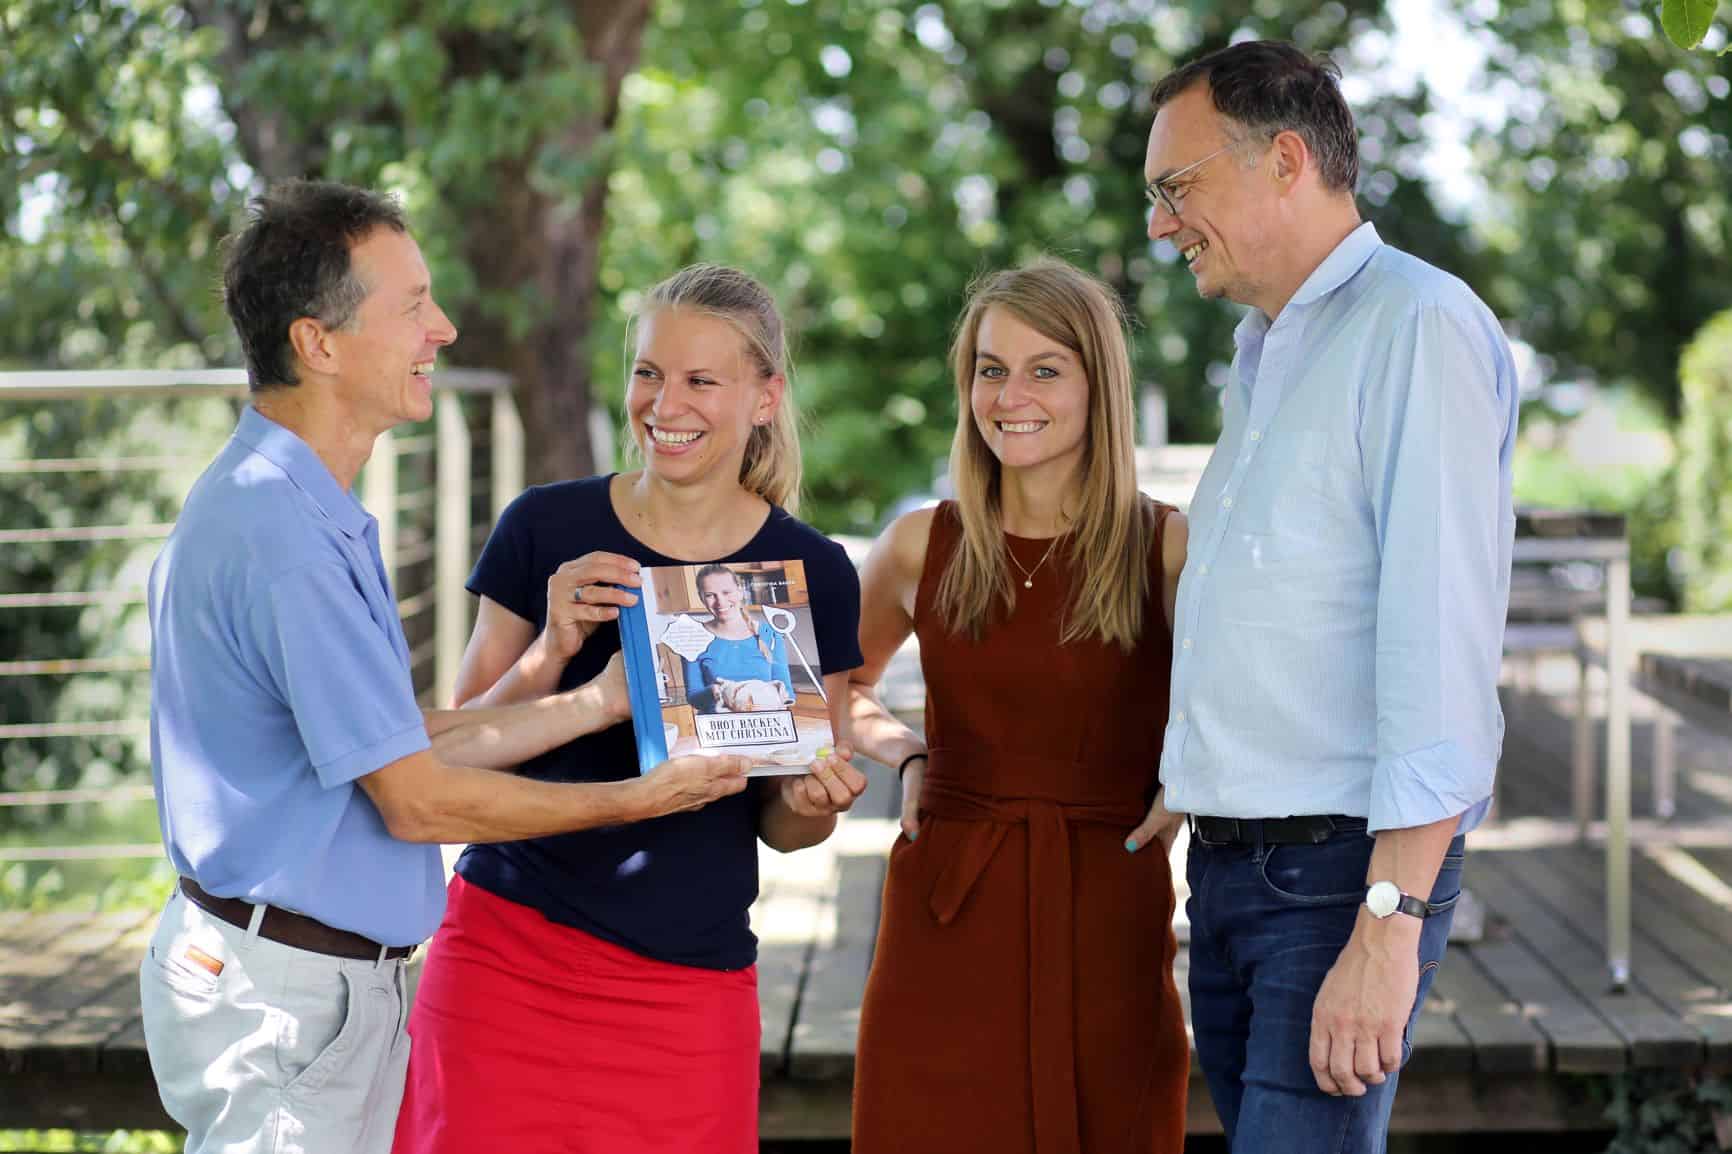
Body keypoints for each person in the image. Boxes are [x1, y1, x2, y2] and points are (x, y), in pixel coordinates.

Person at [141, 181, 750, 1154]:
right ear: (319, 343)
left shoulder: (301, 508)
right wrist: (639, 799)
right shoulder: (285, 536)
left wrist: (591, 695)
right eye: (413, 304)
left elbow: (405, 739)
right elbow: (418, 800)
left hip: (314, 988)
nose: (446, 327)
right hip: (288, 1004)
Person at [392, 263, 868, 1154]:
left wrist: (810, 805)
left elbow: (788, 822)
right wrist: (553, 648)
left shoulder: (814, 574)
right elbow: (454, 752)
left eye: (700, 380)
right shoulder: (544, 526)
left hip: (688, 984)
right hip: (506, 958)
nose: (665, 403)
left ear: (764, 398)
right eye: (649, 372)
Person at [1142, 41, 1519, 1152]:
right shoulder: (1265, 350)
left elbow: (1436, 645)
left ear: (1285, 160)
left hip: (1340, 874)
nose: (1162, 226)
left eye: (1176, 188)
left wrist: (1388, 924)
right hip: (1232, 862)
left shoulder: (1416, 325)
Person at [848, 258, 1191, 1154]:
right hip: (947, 899)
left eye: (1046, 369)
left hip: (1108, 893)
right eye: (991, 369)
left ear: (1097, 384)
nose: (1011, 395)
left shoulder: (1166, 548)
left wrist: (1194, 778)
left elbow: (1257, 700)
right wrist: (909, 753)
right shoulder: (920, 542)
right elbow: (827, 690)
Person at [685, 563, 794, 714]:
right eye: (710, 595)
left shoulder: (770, 634)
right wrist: (715, 692)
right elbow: (693, 697)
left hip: (766, 725)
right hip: (719, 728)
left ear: (740, 591)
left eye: (726, 592)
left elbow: (786, 690)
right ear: (701, 598)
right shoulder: (692, 638)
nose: (720, 602)